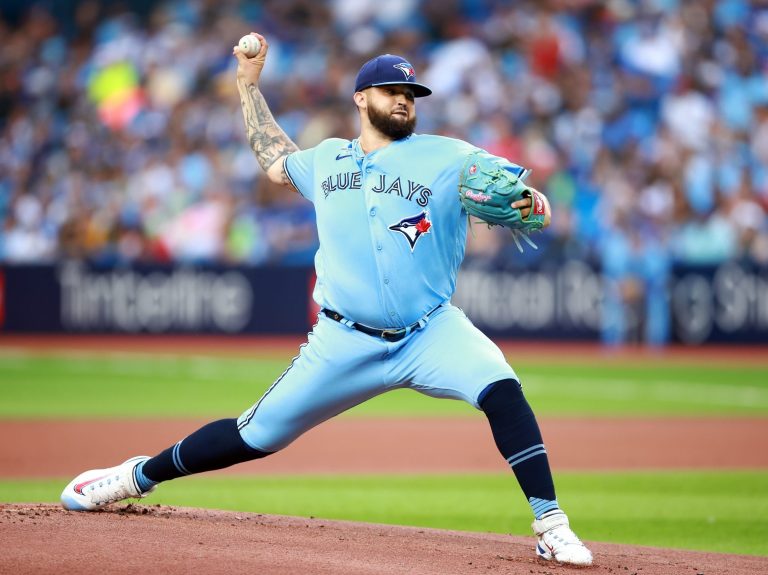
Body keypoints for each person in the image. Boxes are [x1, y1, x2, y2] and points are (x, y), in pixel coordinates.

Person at [60, 34, 593, 567]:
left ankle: (551, 524)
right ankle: (135, 476)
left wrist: (531, 205)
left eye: (411, 92)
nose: (404, 99)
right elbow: (274, 158)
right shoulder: (326, 161)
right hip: (343, 339)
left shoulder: (451, 157)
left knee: (501, 387)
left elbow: (529, 203)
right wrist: (248, 87)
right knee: (254, 435)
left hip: (430, 331)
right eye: (390, 89)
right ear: (361, 98)